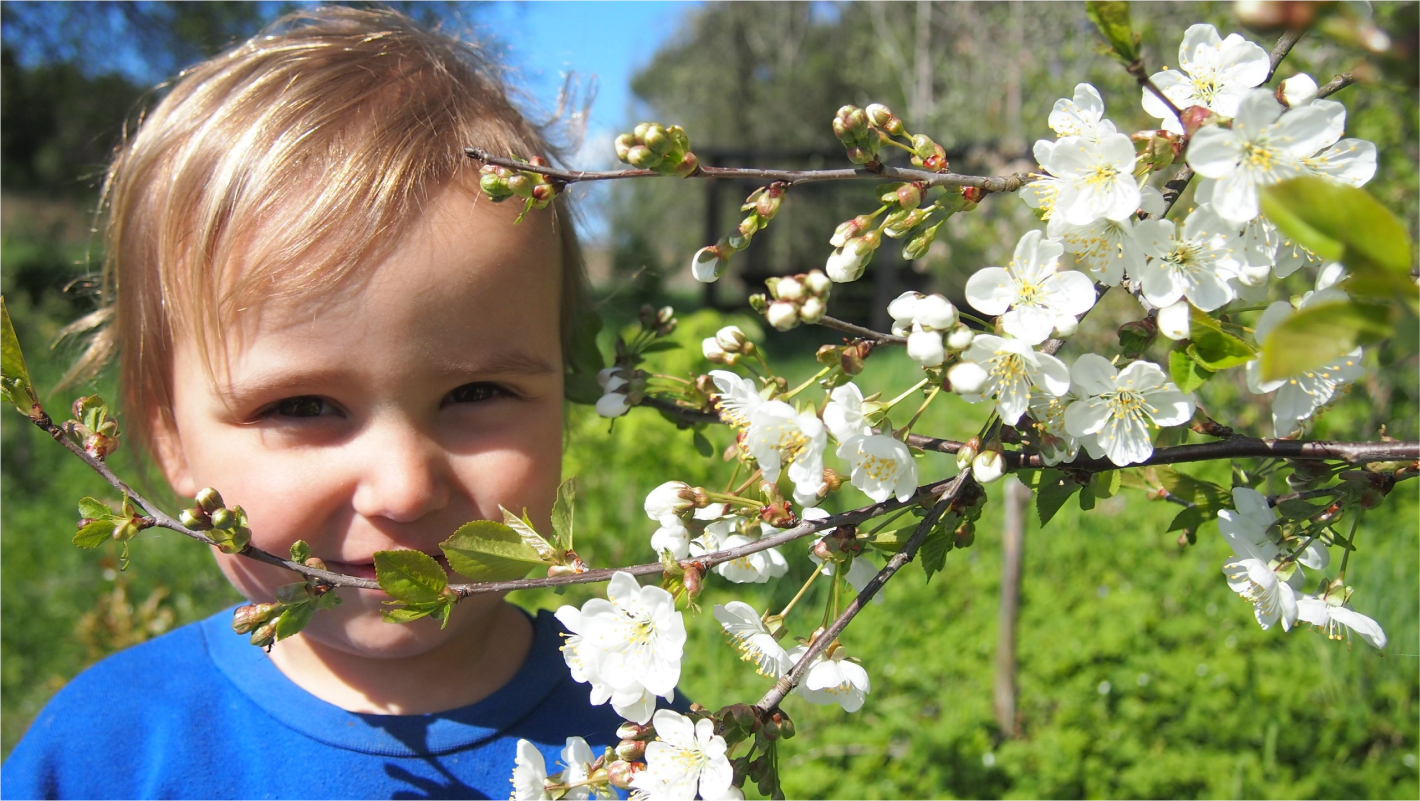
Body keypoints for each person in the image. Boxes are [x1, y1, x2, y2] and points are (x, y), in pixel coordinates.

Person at [2, 7, 633, 798]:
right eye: (302, 406)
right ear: (171, 438)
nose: (404, 489)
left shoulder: (641, 741)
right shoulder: (103, 755)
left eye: (477, 392)